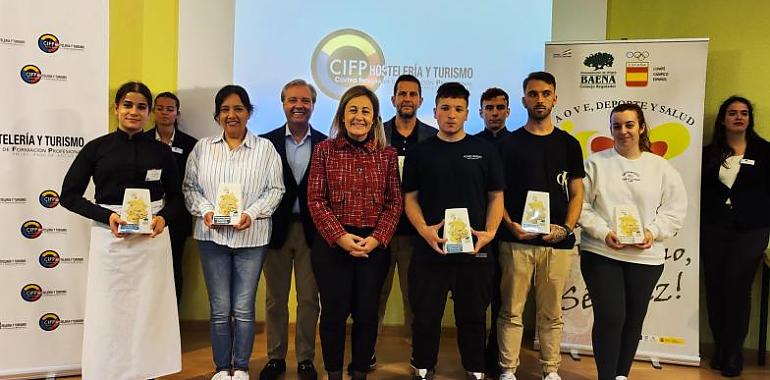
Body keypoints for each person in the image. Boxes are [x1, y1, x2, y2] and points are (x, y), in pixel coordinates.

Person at [60, 81, 182, 379]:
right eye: (127, 104)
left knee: (148, 309)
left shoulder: (162, 152)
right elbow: (69, 195)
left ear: (149, 113)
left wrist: (163, 218)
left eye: (141, 106)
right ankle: (107, 370)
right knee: (110, 308)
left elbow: (178, 197)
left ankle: (147, 370)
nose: (134, 111)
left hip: (151, 239)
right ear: (116, 108)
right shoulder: (97, 148)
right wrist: (106, 216)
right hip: (110, 236)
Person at [403, 82, 505, 380]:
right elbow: (410, 198)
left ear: (467, 114)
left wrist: (488, 233)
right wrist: (424, 230)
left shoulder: (484, 151)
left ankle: (474, 367)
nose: (451, 115)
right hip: (430, 249)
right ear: (434, 112)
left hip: (474, 250)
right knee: (426, 315)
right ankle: (423, 365)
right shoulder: (420, 152)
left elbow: (496, 196)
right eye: (445, 108)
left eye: (458, 109)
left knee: (473, 315)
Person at [183, 85, 285, 380]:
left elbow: (275, 189)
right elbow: (190, 188)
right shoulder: (202, 148)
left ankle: (240, 366)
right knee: (219, 308)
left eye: (238, 108)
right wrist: (205, 211)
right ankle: (221, 368)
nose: (232, 115)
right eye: (225, 109)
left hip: (251, 239)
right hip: (211, 238)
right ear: (217, 116)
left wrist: (250, 214)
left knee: (242, 307)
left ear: (249, 113)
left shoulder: (265, 149)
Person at [579, 103, 687, 380]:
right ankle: (606, 376)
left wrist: (652, 232)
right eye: (617, 125)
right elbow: (581, 206)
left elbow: (675, 210)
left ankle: (621, 375)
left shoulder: (661, 168)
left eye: (629, 125)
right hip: (601, 252)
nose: (623, 131)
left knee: (633, 320)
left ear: (641, 127)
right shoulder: (594, 164)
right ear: (611, 129)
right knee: (611, 317)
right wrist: (604, 232)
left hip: (646, 258)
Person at [307, 85, 402, 380]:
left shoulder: (387, 155)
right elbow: (315, 199)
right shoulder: (324, 150)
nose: (359, 116)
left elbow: (394, 202)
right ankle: (333, 372)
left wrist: (375, 240)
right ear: (342, 115)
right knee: (333, 314)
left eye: (365, 111)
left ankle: (360, 370)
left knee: (367, 314)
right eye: (353, 110)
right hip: (333, 245)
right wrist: (342, 238)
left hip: (373, 246)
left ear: (374, 119)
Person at [497, 72, 584, 380]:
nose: (539, 99)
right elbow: (498, 195)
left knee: (551, 314)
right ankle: (508, 369)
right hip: (516, 241)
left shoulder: (569, 144)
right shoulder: (508, 144)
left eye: (545, 93)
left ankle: (550, 370)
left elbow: (577, 192)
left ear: (555, 98)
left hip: (556, 243)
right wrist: (510, 225)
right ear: (524, 100)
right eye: (533, 94)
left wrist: (566, 228)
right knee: (511, 311)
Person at [259, 79, 326, 380]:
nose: (299, 106)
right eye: (292, 100)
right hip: (275, 231)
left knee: (310, 299)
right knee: (275, 299)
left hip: (313, 233)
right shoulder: (264, 143)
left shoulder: (326, 143)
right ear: (283, 103)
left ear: (313, 105)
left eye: (305, 101)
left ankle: (305, 360)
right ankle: (275, 358)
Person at [701, 96, 770, 377]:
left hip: (752, 229)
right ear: (723, 119)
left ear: (750, 119)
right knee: (715, 288)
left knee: (737, 288)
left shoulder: (765, 152)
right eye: (732, 113)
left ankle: (734, 353)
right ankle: (719, 347)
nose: (739, 117)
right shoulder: (709, 153)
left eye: (744, 113)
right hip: (715, 227)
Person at [378, 74, 437, 353]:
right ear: (393, 99)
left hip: (417, 232)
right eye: (402, 94)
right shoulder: (377, 133)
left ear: (420, 101)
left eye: (413, 94)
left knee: (417, 297)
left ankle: (419, 355)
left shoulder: (432, 137)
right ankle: (369, 351)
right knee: (375, 295)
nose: (407, 99)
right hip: (381, 232)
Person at [146, 91, 198, 302]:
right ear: (153, 112)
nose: (165, 113)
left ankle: (173, 323)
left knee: (174, 266)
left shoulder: (191, 144)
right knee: (148, 270)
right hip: (147, 215)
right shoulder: (142, 140)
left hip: (177, 216)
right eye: (160, 108)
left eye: (170, 109)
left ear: (178, 113)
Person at [474, 86, 511, 378]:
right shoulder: (472, 144)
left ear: (508, 111)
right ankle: (478, 358)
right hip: (479, 234)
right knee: (478, 298)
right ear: (481, 112)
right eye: (489, 108)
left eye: (500, 108)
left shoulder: (518, 143)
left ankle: (498, 356)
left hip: (509, 234)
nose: (494, 113)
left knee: (504, 299)